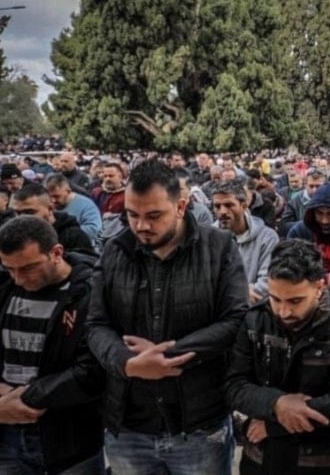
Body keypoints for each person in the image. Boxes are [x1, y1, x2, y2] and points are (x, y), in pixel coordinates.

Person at [86, 159, 249, 474]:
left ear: (181, 206)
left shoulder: (218, 247)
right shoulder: (114, 250)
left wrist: (167, 355)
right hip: (128, 425)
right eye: (132, 215)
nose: (141, 226)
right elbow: (96, 324)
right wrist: (127, 362)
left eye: (153, 216)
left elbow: (235, 320)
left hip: (198, 424)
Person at [227, 239, 330, 475]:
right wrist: (277, 404)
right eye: (275, 299)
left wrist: (275, 423)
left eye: (295, 301)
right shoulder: (254, 320)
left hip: (322, 460)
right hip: (262, 459)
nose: (283, 311)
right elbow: (234, 386)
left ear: (319, 286)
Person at [0, 216, 105, 474]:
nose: (18, 278)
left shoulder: (91, 292)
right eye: (9, 268)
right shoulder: (5, 287)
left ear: (56, 253)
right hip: (7, 436)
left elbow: (92, 369)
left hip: (68, 435)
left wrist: (21, 398)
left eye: (28, 268)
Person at [212, 179, 280, 303]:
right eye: (217, 206)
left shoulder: (267, 237)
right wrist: (241, 292)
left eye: (228, 205)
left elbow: (268, 280)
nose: (222, 212)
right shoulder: (209, 238)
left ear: (244, 206)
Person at [44, 174, 102, 245]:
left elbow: (94, 229)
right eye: (50, 196)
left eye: (57, 196)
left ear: (68, 191)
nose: (53, 200)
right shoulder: (47, 205)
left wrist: (65, 233)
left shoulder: (86, 205)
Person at [279, 170, 326, 237]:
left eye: (318, 186)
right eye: (311, 186)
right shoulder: (294, 203)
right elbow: (284, 226)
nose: (314, 190)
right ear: (305, 185)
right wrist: (305, 224)